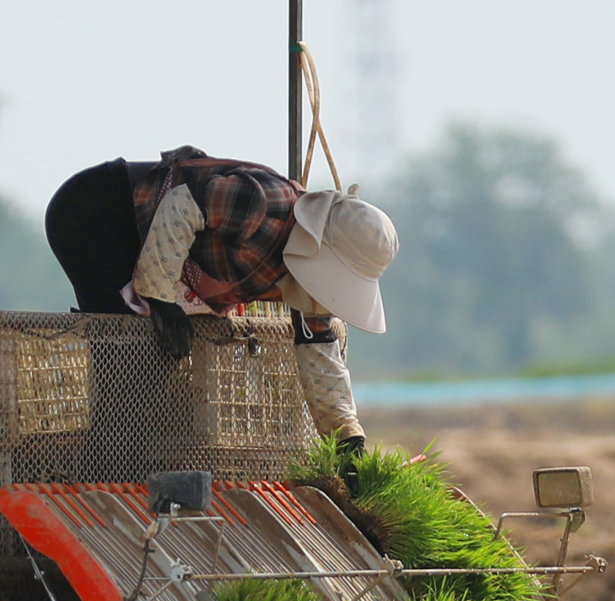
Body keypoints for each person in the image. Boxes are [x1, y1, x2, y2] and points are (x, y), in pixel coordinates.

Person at [44, 147, 397, 451]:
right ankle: (106, 462)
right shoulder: (264, 204)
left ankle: (124, 456)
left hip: (148, 250)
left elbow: (320, 352)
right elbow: (181, 205)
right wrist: (161, 299)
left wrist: (346, 436)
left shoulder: (312, 288)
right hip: (97, 212)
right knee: (127, 357)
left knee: (151, 371)